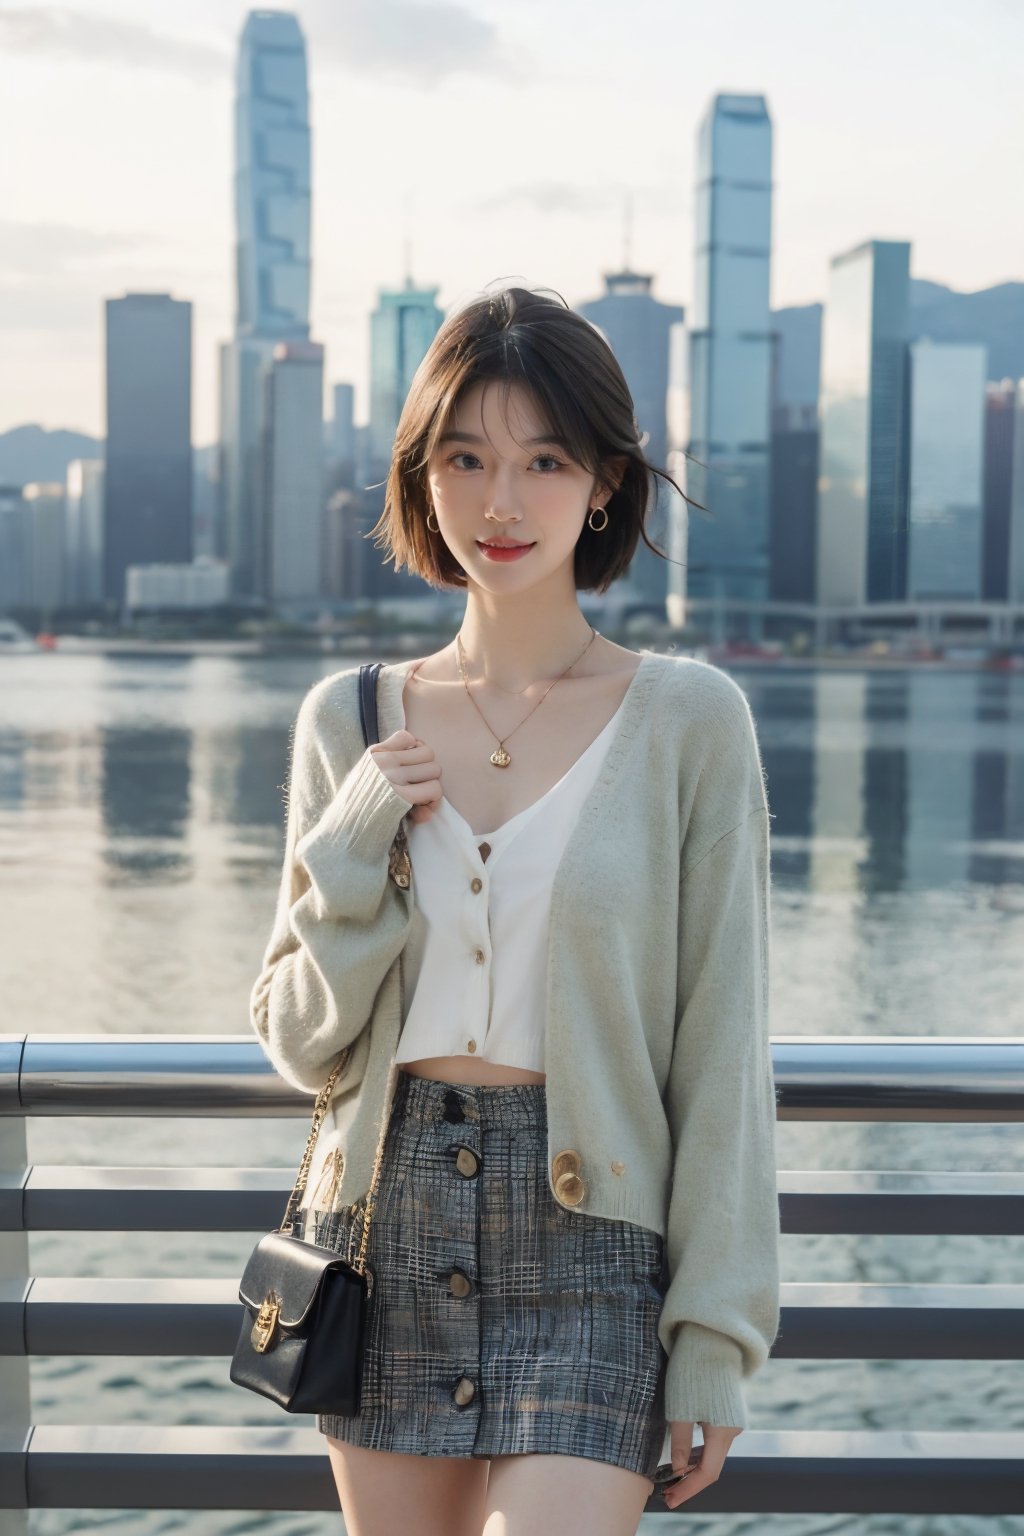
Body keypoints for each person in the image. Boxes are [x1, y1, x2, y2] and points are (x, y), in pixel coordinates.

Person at [249, 283, 780, 1536]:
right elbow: (298, 1037)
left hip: (593, 1243)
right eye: (466, 457)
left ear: (603, 483)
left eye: (544, 461)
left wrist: (714, 1340)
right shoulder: (351, 717)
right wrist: (354, 836)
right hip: (381, 1218)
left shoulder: (690, 721)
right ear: (418, 478)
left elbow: (721, 1053)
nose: (502, 501)